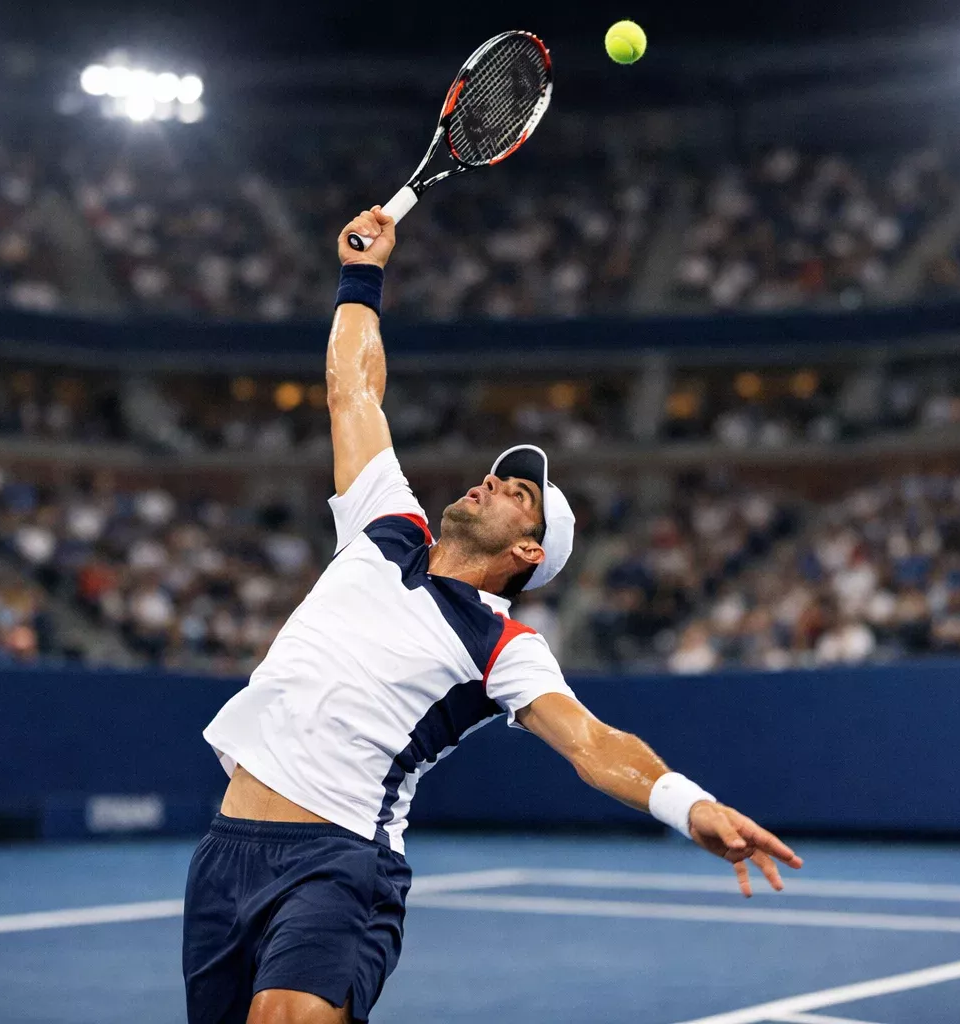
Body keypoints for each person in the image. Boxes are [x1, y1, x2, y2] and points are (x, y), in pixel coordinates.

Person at [182, 207, 802, 1024]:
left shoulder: (503, 642)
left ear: (529, 556)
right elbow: (352, 388)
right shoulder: (385, 522)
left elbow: (592, 743)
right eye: (501, 477)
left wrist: (689, 805)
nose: (491, 484)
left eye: (520, 497)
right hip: (224, 852)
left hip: (339, 864)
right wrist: (361, 277)